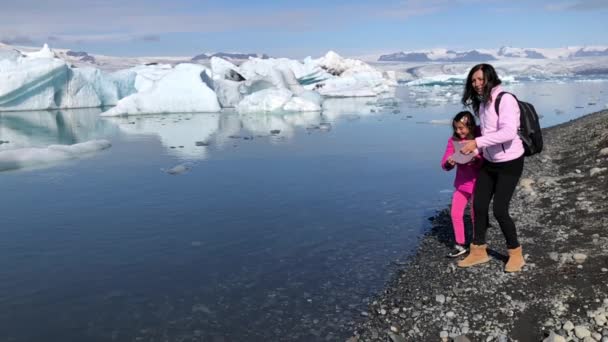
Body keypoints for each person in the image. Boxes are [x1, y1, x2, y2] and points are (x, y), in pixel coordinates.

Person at [457, 63, 526, 272]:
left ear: (490, 78)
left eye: (480, 79)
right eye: (473, 81)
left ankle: (515, 253)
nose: (477, 84)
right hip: (490, 161)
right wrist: (475, 152)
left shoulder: (505, 99)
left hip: (510, 162)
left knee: (500, 210)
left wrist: (477, 143)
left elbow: (508, 133)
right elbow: (488, 137)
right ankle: (478, 252)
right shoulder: (481, 104)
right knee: (478, 205)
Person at [440, 111, 483, 258]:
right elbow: (444, 163)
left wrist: (476, 159)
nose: (458, 131)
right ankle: (460, 244)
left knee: (474, 214)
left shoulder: (479, 139)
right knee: (455, 213)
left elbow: (487, 159)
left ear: (470, 126)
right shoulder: (453, 141)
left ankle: (478, 243)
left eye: (462, 128)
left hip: (479, 183)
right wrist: (449, 163)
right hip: (461, 184)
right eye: (456, 128)